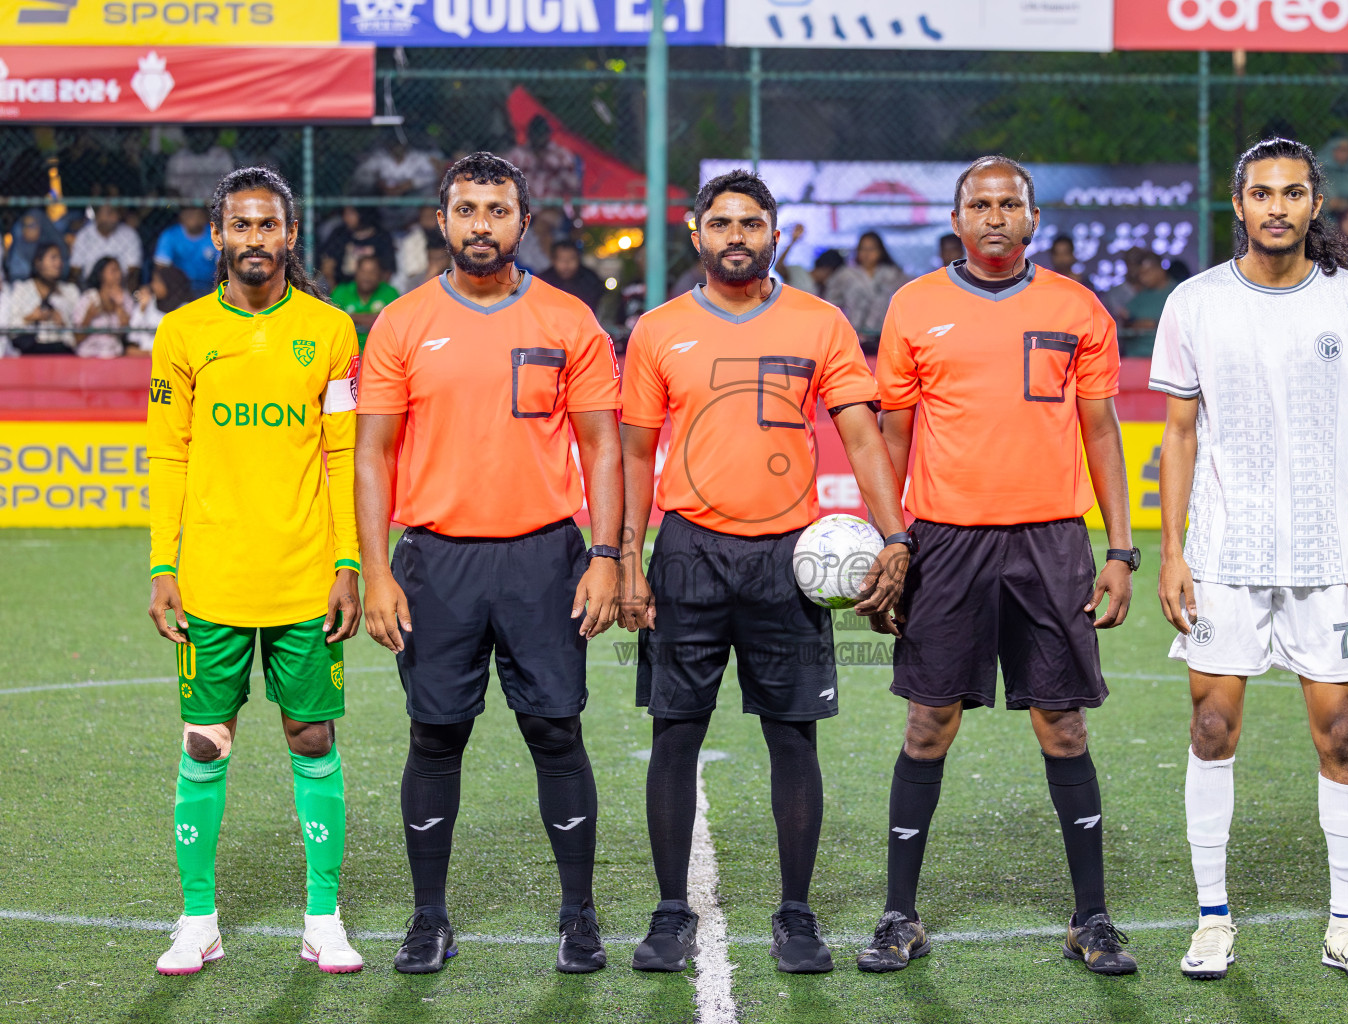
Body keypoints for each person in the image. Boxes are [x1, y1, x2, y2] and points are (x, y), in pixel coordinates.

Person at [617, 169, 908, 976]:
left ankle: (797, 914)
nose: (736, 235)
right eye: (721, 223)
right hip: (688, 552)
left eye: (752, 223)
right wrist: (628, 557)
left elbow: (861, 436)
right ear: (696, 233)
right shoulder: (658, 330)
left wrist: (897, 537)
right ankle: (672, 913)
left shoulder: (820, 322)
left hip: (791, 560)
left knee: (793, 739)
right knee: (675, 734)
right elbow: (637, 452)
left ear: (775, 235)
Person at [856, 155, 1137, 977]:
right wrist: (893, 541)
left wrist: (1119, 549)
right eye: (979, 203)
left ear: (1033, 218)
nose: (993, 216)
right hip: (945, 542)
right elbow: (894, 438)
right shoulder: (914, 306)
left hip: (1052, 542)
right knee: (927, 723)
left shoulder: (1077, 307)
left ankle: (1093, 919)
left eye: (1009, 203)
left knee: (1063, 725)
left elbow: (1102, 433)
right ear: (956, 217)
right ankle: (898, 916)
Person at [356, 152, 623, 976]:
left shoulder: (568, 318)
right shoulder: (400, 323)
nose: (481, 223)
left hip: (545, 556)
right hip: (435, 561)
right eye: (466, 209)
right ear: (442, 221)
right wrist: (377, 573)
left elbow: (604, 445)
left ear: (523, 222)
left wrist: (607, 555)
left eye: (496, 209)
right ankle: (428, 919)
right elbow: (370, 455)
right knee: (435, 736)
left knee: (555, 730)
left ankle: (578, 916)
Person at [1152, 137, 1348, 986]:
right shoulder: (1194, 305)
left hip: (1329, 555)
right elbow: (1178, 432)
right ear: (1238, 204)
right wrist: (1172, 549)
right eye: (1263, 193)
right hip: (1224, 553)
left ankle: (1347, 922)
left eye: (1294, 193)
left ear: (1315, 206)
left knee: (1341, 732)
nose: (1278, 208)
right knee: (1212, 728)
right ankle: (1213, 918)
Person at [146, 166, 364, 977]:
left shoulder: (333, 331)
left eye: (268, 225)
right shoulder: (183, 333)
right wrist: (163, 563)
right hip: (211, 578)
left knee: (312, 734)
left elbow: (342, 452)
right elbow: (169, 452)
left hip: (306, 574)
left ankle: (323, 917)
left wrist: (348, 559)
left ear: (291, 235)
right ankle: (197, 918)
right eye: (240, 225)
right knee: (205, 746)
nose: (255, 239)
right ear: (218, 237)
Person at [824, 230, 907, 348]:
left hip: (885, 336)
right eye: (863, 249)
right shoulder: (845, 274)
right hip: (853, 336)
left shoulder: (892, 274)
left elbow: (906, 300)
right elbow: (830, 302)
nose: (867, 254)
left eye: (872, 249)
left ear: (880, 251)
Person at [1, 243, 80, 354]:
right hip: (30, 352)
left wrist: (62, 323)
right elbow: (9, 329)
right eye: (53, 258)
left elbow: (77, 337)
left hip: (60, 352)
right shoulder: (22, 290)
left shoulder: (70, 292)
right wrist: (30, 318)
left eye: (60, 259)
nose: (59, 263)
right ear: (38, 263)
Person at [329, 254, 399, 348]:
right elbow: (333, 322)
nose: (367, 276)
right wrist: (375, 318)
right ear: (356, 273)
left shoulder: (390, 292)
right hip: (347, 349)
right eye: (363, 271)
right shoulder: (340, 292)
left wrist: (351, 317)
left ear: (380, 275)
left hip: (381, 349)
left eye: (372, 272)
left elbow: (395, 323)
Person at [320, 205, 396, 290]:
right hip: (342, 288)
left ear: (362, 214)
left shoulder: (381, 236)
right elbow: (328, 266)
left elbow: (387, 271)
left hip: (374, 291)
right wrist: (336, 293)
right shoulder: (339, 234)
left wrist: (378, 295)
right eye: (345, 214)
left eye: (351, 214)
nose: (346, 218)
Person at [506, 116, 581, 201]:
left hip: (549, 204)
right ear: (529, 134)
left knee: (548, 214)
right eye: (536, 133)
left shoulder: (560, 155)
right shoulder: (517, 155)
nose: (539, 138)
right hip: (522, 204)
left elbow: (573, 187)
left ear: (548, 134)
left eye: (542, 133)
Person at [74, 256, 133, 358]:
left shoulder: (125, 298)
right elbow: (77, 337)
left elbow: (127, 333)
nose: (118, 275)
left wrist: (119, 306)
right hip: (88, 355)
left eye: (119, 270)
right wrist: (89, 316)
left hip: (114, 355)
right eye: (113, 271)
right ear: (101, 274)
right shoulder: (89, 298)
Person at [69, 204, 143, 286]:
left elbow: (133, 271)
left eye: (116, 212)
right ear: (97, 216)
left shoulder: (129, 234)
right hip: (90, 287)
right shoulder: (84, 235)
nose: (115, 217)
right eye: (109, 213)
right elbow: (75, 269)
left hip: (121, 287)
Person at [154, 207, 220, 297]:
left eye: (194, 211)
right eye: (187, 211)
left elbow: (222, 267)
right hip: (178, 288)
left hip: (209, 286)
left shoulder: (215, 234)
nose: (190, 215)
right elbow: (161, 268)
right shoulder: (170, 235)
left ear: (204, 215)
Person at [127, 264, 193, 354]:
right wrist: (141, 310)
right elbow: (133, 337)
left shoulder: (185, 309)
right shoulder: (148, 302)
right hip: (144, 358)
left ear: (170, 283)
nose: (153, 285)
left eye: (157, 281)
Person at [164, 129, 236, 201]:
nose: (198, 137)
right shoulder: (178, 158)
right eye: (194, 133)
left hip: (213, 205)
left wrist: (210, 206)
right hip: (186, 207)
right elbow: (172, 189)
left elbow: (226, 187)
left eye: (203, 133)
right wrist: (186, 206)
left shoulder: (221, 156)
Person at [1126, 253, 1175, 353]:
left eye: (1147, 273)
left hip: (1166, 355)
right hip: (1136, 355)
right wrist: (1133, 324)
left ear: (1160, 270)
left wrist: (1155, 324)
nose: (1143, 278)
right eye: (1140, 274)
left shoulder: (1178, 292)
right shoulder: (1141, 296)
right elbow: (1126, 322)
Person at [774, 224, 843, 295]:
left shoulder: (820, 290)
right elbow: (778, 268)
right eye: (830, 275)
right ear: (827, 269)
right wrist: (793, 241)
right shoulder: (798, 271)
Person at [538, 240, 604, 313]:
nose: (566, 264)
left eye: (572, 259)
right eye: (561, 259)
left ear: (578, 259)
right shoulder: (543, 281)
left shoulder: (590, 280)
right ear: (553, 260)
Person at [4, 209, 66, 283]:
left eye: (31, 226)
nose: (27, 230)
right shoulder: (19, 248)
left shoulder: (53, 244)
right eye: (24, 226)